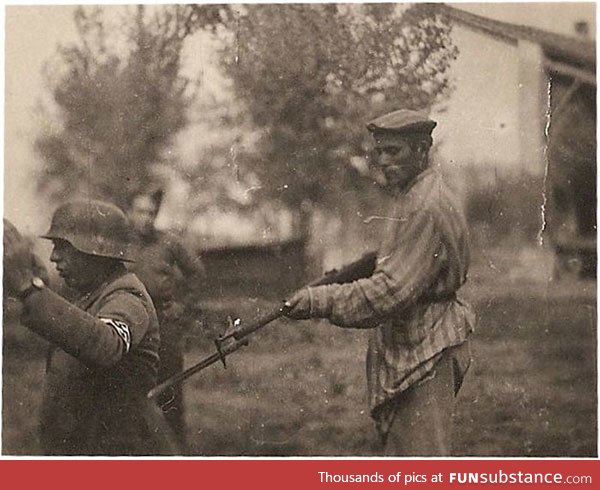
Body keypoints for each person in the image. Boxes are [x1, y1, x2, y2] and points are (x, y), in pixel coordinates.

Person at [284, 109, 476, 456]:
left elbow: (391, 291)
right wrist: (360, 268)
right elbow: (402, 262)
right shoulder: (413, 195)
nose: (384, 161)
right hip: (417, 342)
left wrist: (319, 300)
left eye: (394, 151)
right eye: (380, 152)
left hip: (427, 347)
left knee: (420, 470)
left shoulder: (424, 206)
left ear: (422, 150)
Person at [3, 200, 169, 455]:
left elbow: (105, 344)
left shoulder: (128, 296)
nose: (53, 257)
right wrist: (36, 287)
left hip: (121, 453)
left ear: (97, 251)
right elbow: (75, 332)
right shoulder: (94, 293)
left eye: (64, 247)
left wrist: (30, 290)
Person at [127, 187, 204, 441]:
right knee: (130, 391)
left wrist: (183, 306)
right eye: (140, 212)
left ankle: (175, 453)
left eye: (151, 213)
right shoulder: (119, 243)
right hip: (128, 321)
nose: (146, 218)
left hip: (164, 325)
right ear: (130, 212)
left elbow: (197, 273)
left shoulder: (168, 242)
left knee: (169, 389)